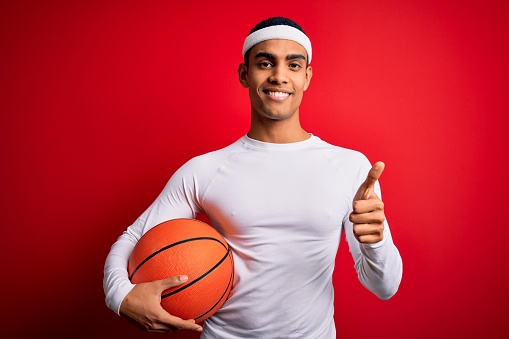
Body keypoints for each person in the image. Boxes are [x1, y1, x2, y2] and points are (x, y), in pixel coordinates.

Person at [103, 16, 403, 338]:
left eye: (293, 65)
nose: (279, 76)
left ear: (307, 77)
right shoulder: (205, 169)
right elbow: (134, 238)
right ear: (245, 75)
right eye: (265, 63)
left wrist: (376, 241)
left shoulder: (351, 168)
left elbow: (384, 288)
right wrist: (119, 296)